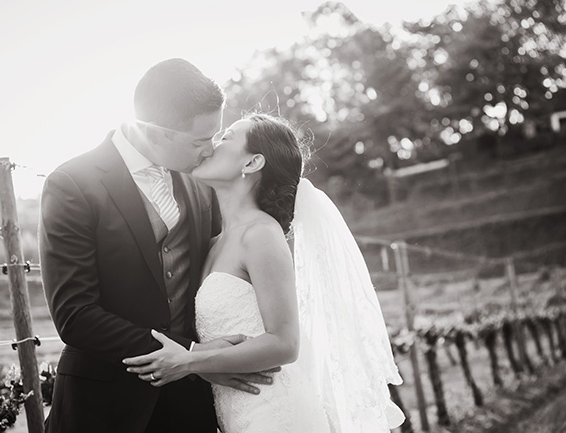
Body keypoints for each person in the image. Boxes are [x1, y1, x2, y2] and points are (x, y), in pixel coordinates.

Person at [123, 113, 406, 432]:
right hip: (236, 411)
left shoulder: (261, 235)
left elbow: (285, 343)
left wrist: (189, 360)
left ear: (252, 162)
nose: (213, 144)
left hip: (274, 411)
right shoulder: (214, 241)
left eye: (226, 137)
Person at [39, 59, 275, 433]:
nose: (209, 150)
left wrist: (206, 365)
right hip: (102, 407)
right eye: (200, 140)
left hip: (189, 406)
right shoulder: (73, 183)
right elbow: (74, 314)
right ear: (156, 132)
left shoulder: (201, 184)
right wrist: (193, 354)